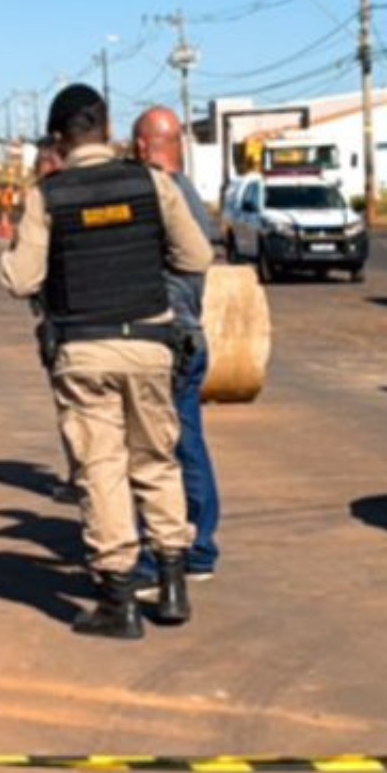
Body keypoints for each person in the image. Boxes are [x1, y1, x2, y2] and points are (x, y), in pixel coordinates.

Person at [0, 85, 213, 640]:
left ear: (58, 138)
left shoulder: (49, 197)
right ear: (109, 127)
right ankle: (172, 586)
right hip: (148, 343)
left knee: (102, 469)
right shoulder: (152, 184)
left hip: (84, 350)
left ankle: (118, 602)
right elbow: (197, 257)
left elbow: (20, 279)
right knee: (157, 460)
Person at [130, 106, 220, 592]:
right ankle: (201, 547)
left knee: (150, 451)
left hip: (162, 337)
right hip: (191, 335)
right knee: (189, 443)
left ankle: (157, 554)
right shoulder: (192, 196)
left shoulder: (157, 195)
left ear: (143, 146)